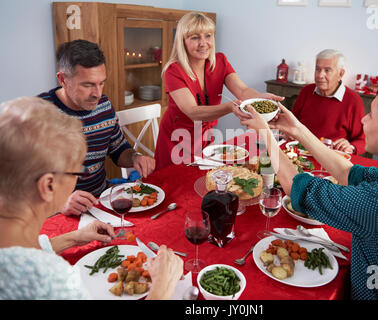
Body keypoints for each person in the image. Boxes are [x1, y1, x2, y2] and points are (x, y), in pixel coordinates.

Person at [242, 70, 378, 299]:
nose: (363, 118)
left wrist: (265, 134)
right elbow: (347, 172)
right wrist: (297, 129)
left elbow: (297, 187)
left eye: (371, 114)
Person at [0, 97, 183, 300]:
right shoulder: (51, 280)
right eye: (77, 172)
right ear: (48, 185)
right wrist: (162, 286)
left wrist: (72, 238)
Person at [38, 40, 155, 216]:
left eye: (101, 83)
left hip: (102, 202)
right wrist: (60, 203)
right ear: (62, 79)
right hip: (57, 214)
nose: (97, 94)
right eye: (88, 85)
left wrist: (135, 157)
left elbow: (118, 149)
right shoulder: (37, 115)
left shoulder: (104, 105)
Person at [154, 12, 283, 171]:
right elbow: (193, 112)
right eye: (195, 37)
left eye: (208, 35)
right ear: (182, 42)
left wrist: (259, 98)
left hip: (205, 140)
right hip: (176, 141)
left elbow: (242, 90)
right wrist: (230, 107)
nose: (203, 43)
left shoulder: (220, 61)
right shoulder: (173, 71)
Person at [291, 49, 366, 155]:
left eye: (327, 70)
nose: (320, 75)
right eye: (317, 69)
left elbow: (362, 140)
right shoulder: (306, 91)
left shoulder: (353, 100)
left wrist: (351, 147)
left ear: (340, 74)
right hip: (300, 152)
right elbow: (292, 122)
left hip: (332, 158)